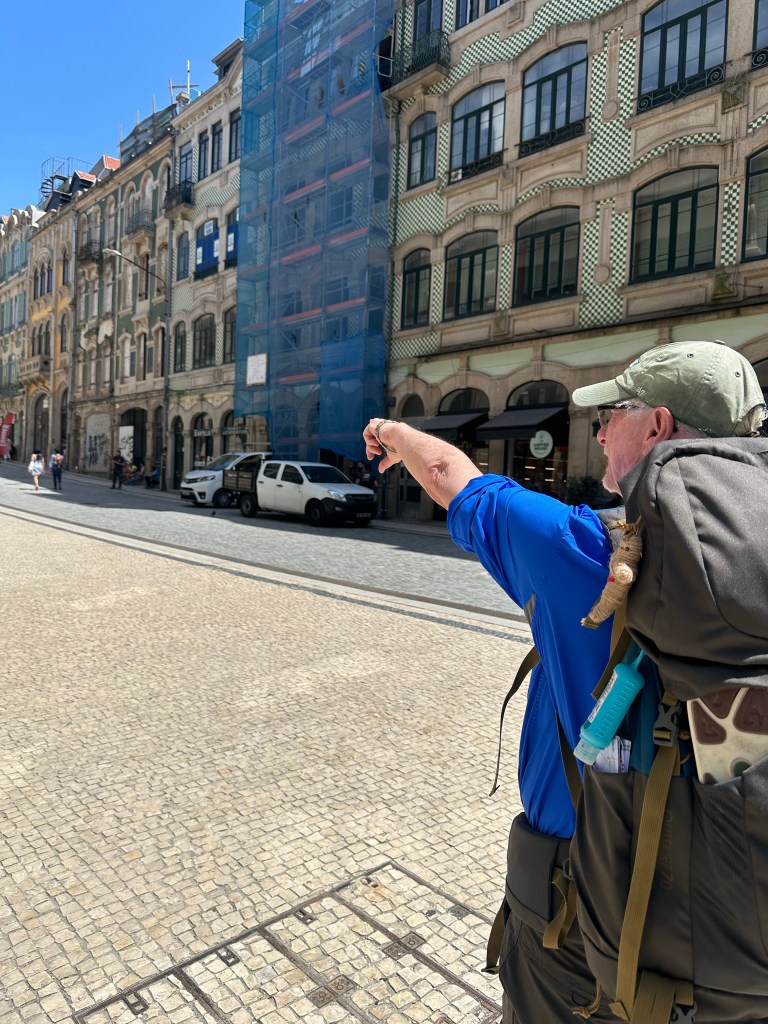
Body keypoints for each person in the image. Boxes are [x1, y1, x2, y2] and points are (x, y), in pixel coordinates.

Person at [363, 340, 767, 1024]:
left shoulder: (586, 549)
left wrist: (395, 433)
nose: (601, 432)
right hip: (736, 940)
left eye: (614, 415)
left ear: (658, 427)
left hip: (585, 922)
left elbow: (452, 477)